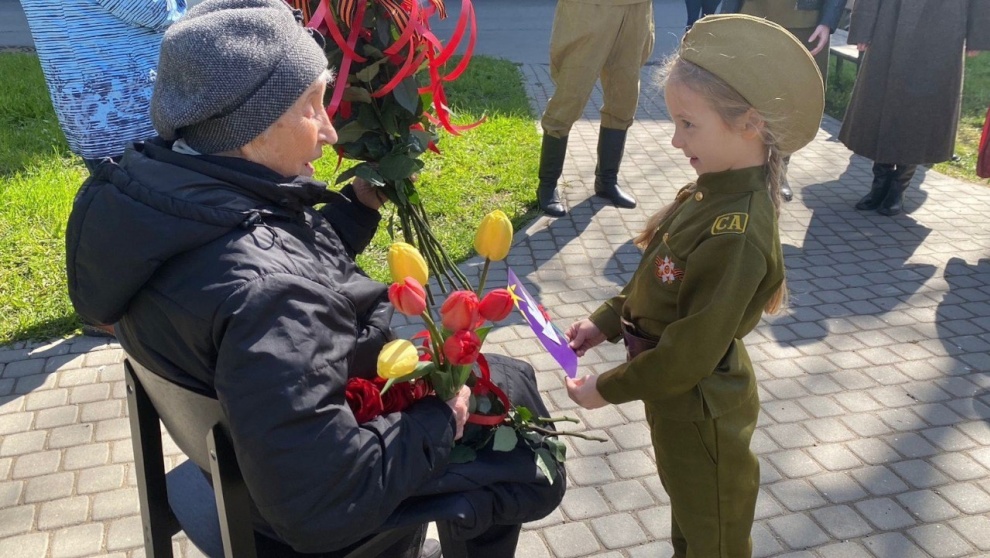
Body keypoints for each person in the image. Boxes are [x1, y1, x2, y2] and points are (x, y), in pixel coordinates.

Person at [64, 1, 564, 557]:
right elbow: (323, 500)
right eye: (311, 106)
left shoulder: (153, 201)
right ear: (250, 128)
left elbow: (259, 250)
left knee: (503, 380)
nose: (329, 131)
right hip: (305, 504)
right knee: (522, 444)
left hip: (246, 447)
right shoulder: (270, 299)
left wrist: (355, 210)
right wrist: (438, 422)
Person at [564, 15, 824, 557]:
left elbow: (688, 353)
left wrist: (605, 389)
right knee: (690, 525)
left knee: (715, 540)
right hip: (674, 401)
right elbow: (655, 281)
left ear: (749, 124)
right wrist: (604, 322)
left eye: (688, 124)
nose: (675, 139)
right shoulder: (707, 192)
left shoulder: (737, 231)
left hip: (700, 410)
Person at [839, 0, 989, 216]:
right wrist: (863, 28)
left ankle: (898, 188)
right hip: (890, 23)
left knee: (920, 112)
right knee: (881, 104)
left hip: (942, 28)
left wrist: (977, 35)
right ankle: (879, 183)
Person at [19, 0, 186, 173]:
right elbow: (154, 11)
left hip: (86, 101)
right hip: (128, 105)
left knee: (120, 184)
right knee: (153, 183)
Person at [535, 0, 655, 217]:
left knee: (624, 98)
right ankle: (547, 185)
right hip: (590, 9)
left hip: (637, 9)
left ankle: (607, 180)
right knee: (570, 95)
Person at [721, 0, 844, 202]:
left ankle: (778, 171)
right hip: (753, 17)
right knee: (745, 96)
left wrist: (827, 21)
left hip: (802, 23)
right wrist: (726, 15)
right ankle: (742, 170)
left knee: (792, 102)